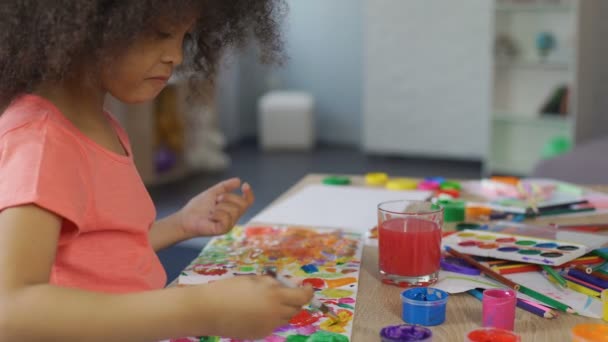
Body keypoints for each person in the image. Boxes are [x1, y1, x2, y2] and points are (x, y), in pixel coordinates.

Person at [0, 1, 313, 341]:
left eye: (184, 38)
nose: (176, 56)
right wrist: (201, 310)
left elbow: (97, 253)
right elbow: (11, 308)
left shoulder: (101, 124)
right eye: (161, 34)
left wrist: (181, 224)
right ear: (87, 29)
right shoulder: (42, 142)